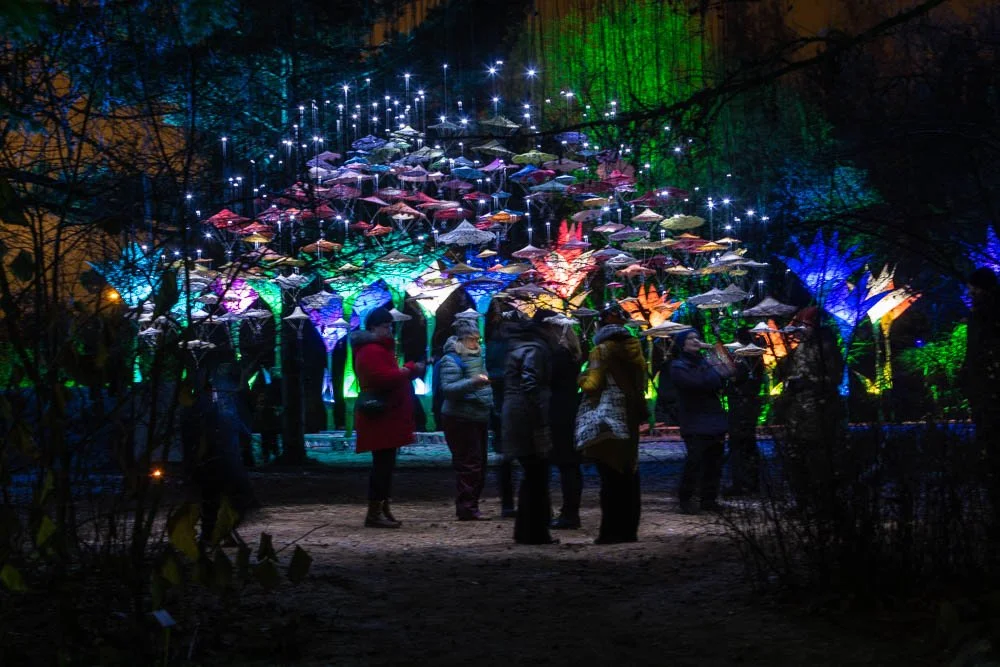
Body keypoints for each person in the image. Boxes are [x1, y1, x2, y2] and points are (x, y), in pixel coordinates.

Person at [578, 302, 648, 543]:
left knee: (610, 476)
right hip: (629, 417)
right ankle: (629, 530)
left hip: (608, 419)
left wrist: (581, 376)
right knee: (629, 473)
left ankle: (610, 532)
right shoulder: (636, 347)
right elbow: (641, 386)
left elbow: (592, 385)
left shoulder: (602, 350)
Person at [351, 307, 425, 529]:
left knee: (386, 464)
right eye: (385, 325)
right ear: (373, 327)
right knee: (382, 465)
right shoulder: (371, 350)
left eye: (390, 325)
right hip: (381, 416)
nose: (389, 329)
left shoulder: (376, 349)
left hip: (386, 415)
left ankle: (382, 508)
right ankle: (375, 512)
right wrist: (409, 369)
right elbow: (382, 378)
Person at [776, 306, 844, 514]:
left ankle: (822, 504)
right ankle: (803, 502)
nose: (799, 330)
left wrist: (807, 382)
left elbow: (834, 379)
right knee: (796, 460)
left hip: (817, 412)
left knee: (818, 460)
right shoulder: (801, 347)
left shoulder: (825, 347)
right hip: (797, 413)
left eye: (803, 326)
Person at [501, 309, 557, 545]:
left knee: (533, 474)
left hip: (516, 413)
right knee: (536, 473)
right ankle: (534, 531)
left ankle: (530, 530)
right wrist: (540, 420)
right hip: (526, 416)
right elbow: (530, 383)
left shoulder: (520, 346)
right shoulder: (534, 349)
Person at [438, 320, 494, 520]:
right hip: (459, 417)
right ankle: (467, 507)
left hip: (478, 415)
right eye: (471, 339)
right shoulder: (451, 360)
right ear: (462, 339)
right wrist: (473, 382)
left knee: (478, 463)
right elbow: (448, 389)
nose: (475, 343)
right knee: (469, 463)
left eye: (477, 339)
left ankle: (471, 505)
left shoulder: (480, 356)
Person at [670, 329, 729, 514]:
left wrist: (713, 356)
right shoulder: (678, 365)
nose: (696, 341)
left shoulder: (706, 361)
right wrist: (712, 376)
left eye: (697, 337)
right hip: (694, 419)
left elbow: (726, 373)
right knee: (695, 461)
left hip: (714, 417)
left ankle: (709, 499)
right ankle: (686, 499)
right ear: (682, 343)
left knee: (715, 461)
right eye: (690, 338)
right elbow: (696, 384)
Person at [963, 268, 1000, 527]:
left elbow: (977, 350)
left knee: (991, 442)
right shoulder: (981, 314)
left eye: (973, 289)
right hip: (984, 387)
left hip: (988, 389)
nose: (970, 293)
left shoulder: (983, 315)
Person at [548, 320, 584, 530]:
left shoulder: (560, 355)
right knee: (571, 465)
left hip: (559, 412)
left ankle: (569, 514)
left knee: (566, 464)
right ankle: (571, 511)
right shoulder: (574, 354)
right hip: (570, 409)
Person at [724, 327, 765, 496]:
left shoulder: (747, 358)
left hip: (742, 405)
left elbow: (737, 377)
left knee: (741, 444)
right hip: (746, 404)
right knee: (746, 444)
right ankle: (748, 482)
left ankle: (743, 482)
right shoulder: (754, 357)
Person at [485, 312, 518, 518]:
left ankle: (507, 502)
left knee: (505, 457)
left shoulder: (491, 346)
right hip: (511, 402)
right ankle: (511, 502)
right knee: (517, 456)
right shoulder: (511, 348)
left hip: (498, 404)